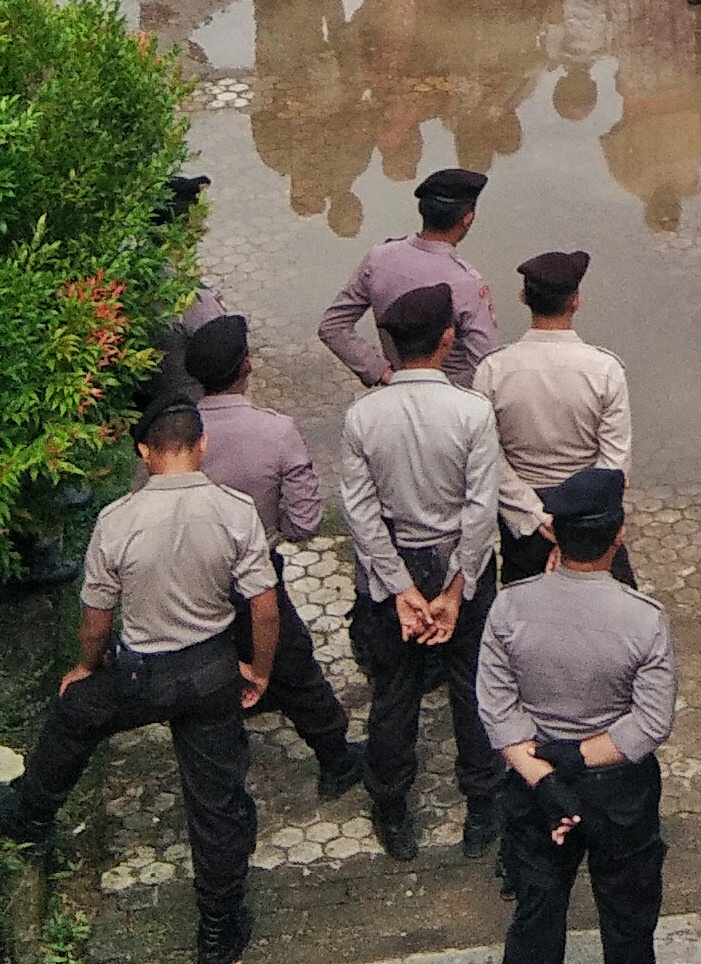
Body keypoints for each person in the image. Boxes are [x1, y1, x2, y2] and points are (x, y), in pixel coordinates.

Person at [0, 399, 280, 964]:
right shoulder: (234, 511)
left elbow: (96, 615)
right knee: (216, 804)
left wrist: (85, 667)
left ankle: (28, 813)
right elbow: (263, 608)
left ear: (144, 453)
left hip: (142, 675)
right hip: (211, 672)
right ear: (202, 446)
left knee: (76, 713)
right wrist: (259, 670)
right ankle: (216, 937)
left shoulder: (117, 520)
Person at [476, 466, 682, 964]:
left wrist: (545, 776)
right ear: (617, 537)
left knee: (539, 907)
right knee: (626, 910)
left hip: (539, 787)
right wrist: (578, 757)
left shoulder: (510, 608)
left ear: (554, 537)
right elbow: (648, 725)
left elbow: (496, 706)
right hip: (619, 792)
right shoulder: (643, 619)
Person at [338, 286, 510, 859]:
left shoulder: (363, 416)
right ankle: (483, 806)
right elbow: (481, 511)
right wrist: (456, 591)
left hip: (393, 573)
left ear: (387, 343)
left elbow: (359, 516)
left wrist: (401, 591)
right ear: (447, 339)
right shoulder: (472, 412)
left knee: (394, 693)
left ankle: (391, 810)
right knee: (473, 688)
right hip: (461, 567)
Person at [173, 315, 366, 796]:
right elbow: (305, 523)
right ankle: (335, 756)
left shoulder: (172, 434)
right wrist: (270, 533)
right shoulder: (275, 433)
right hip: (255, 573)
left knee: (212, 654)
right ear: (247, 367)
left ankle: (246, 703)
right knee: (293, 660)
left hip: (190, 577)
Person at [473, 251, 633, 587]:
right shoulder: (605, 371)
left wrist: (537, 516)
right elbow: (614, 462)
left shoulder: (492, 371)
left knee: (522, 613)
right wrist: (575, 527)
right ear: (576, 302)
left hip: (524, 521)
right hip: (592, 518)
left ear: (523, 298)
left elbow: (489, 458)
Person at [317, 165, 503, 388]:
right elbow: (488, 369)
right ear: (467, 218)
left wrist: (382, 372)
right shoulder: (467, 284)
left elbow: (333, 327)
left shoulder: (379, 258)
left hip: (398, 386)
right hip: (452, 399)